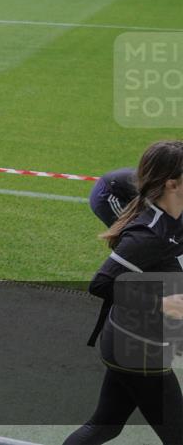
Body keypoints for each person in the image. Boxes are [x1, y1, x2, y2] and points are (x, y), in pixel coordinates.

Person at [65, 140, 183, 445]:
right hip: (139, 351)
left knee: (105, 426)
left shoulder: (175, 216)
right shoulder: (149, 236)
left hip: (129, 342)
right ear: (172, 184)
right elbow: (101, 284)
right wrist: (161, 304)